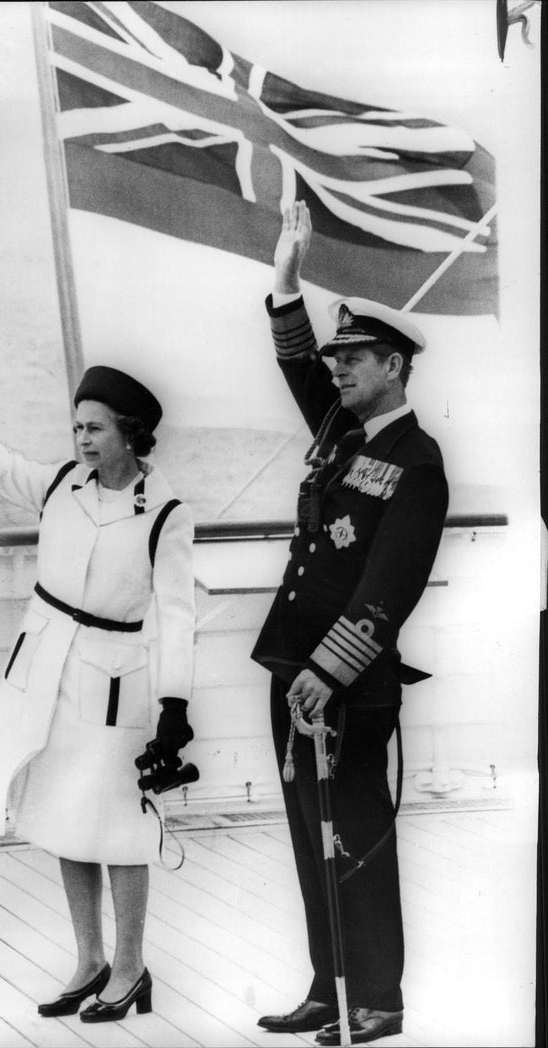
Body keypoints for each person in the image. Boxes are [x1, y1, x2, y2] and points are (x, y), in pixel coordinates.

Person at [0, 325, 196, 1023]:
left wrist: (175, 706)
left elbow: (181, 615)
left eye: (95, 428)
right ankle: (90, 960)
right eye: (76, 427)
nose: (82, 439)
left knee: (121, 825)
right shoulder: (60, 484)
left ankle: (130, 969)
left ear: (131, 434)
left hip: (116, 679)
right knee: (63, 816)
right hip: (49, 670)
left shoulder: (165, 513)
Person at [251, 202, 449, 1045]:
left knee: (358, 838)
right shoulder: (343, 432)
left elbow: (386, 588)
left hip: (344, 685)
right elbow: (298, 364)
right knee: (309, 837)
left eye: (354, 358)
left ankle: (378, 998)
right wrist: (286, 280)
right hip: (288, 672)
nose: (337, 370)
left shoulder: (417, 459)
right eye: (336, 358)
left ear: (395, 366)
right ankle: (327, 987)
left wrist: (326, 672)